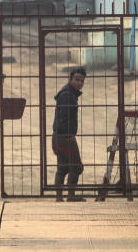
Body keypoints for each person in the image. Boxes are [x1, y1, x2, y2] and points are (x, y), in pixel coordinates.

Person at [52, 67, 86, 201]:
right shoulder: (67, 95)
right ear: (70, 79)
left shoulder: (69, 93)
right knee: (76, 167)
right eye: (77, 80)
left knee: (63, 167)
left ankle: (59, 198)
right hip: (65, 138)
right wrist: (68, 135)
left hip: (59, 136)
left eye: (82, 81)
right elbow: (64, 118)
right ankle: (70, 196)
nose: (80, 83)